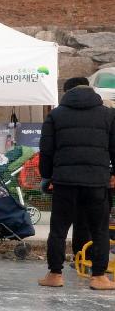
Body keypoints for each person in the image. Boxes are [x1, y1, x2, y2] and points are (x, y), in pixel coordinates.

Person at [39, 77, 115, 290]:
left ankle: (55, 274)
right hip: (97, 182)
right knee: (99, 229)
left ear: (67, 92)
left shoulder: (55, 115)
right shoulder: (108, 114)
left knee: (59, 229)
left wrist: (47, 176)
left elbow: (46, 150)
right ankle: (99, 277)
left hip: (65, 181)